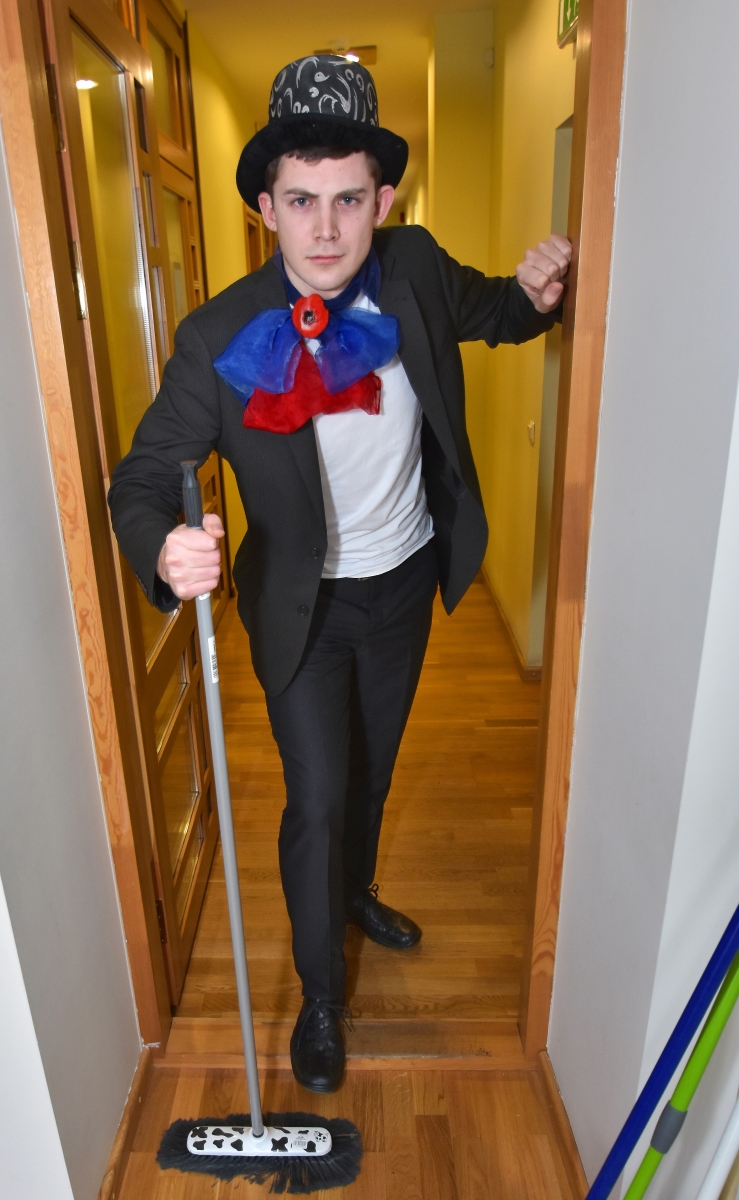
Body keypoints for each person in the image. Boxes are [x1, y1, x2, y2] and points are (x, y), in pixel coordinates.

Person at [109, 54, 571, 1094]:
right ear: (265, 206)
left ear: (383, 201)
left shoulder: (415, 269)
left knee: (372, 769)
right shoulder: (216, 336)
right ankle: (321, 993)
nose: (325, 230)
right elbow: (140, 476)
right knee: (317, 794)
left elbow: (495, 312)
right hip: (301, 606)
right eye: (301, 201)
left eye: (348, 200)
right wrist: (163, 545)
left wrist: (539, 296)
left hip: (403, 583)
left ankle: (351, 892)